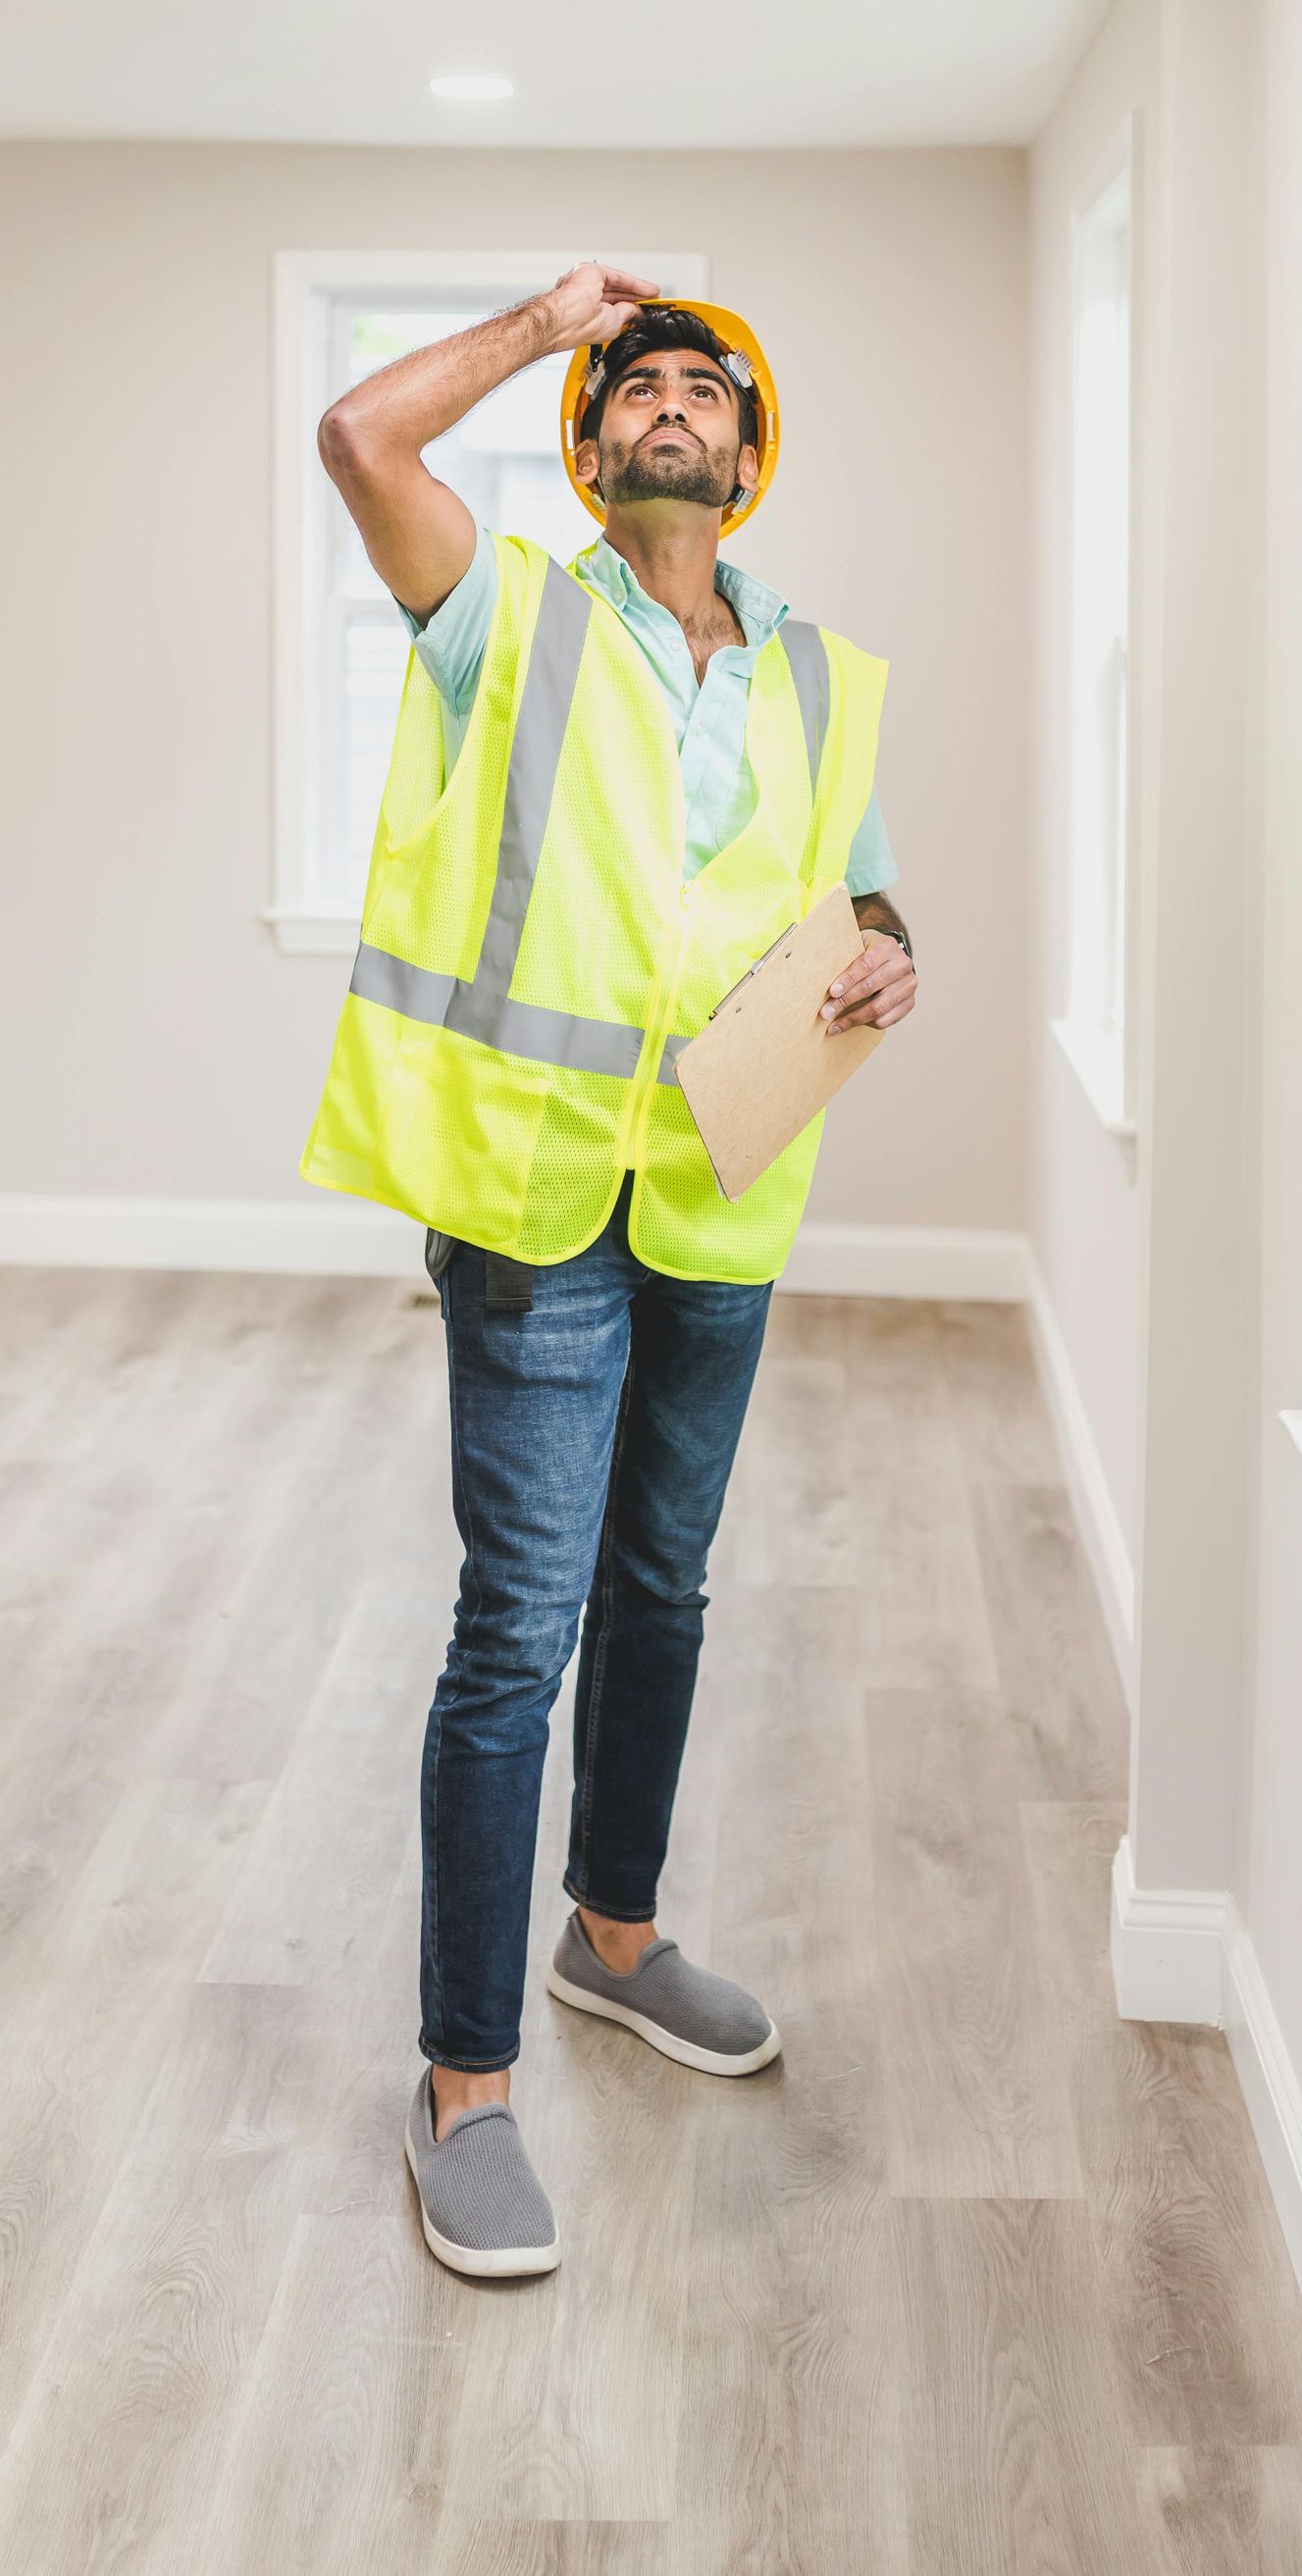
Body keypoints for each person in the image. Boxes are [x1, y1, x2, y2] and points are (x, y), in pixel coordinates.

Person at [303, 263, 917, 2278]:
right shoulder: (511, 622)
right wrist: (543, 315)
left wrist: (888, 950)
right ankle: (463, 2086)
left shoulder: (822, 675)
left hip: (726, 1187)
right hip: (542, 1195)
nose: (670, 403)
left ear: (747, 462)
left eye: (700, 393)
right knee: (519, 1629)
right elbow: (359, 438)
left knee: (665, 1584)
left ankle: (615, 1935)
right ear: (588, 448)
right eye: (634, 387)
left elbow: (860, 876)